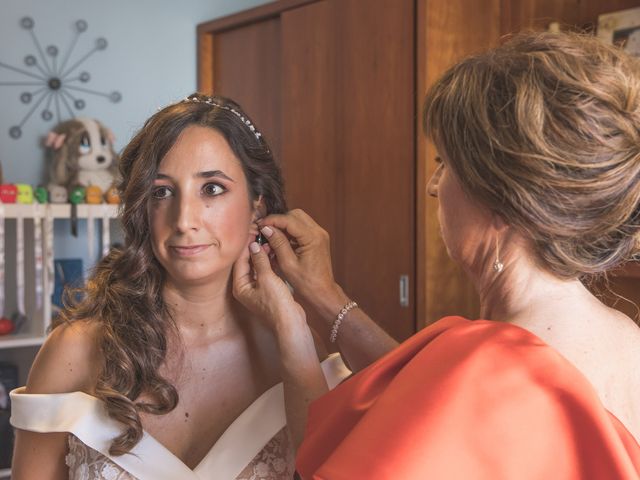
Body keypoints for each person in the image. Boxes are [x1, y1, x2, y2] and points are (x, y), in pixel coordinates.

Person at [250, 31, 640, 478]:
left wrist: (289, 328)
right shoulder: (625, 337)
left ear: (501, 198)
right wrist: (325, 296)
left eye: (444, 163)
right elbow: (427, 407)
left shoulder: (487, 362)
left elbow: (331, 459)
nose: (435, 187)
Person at [9, 93, 351, 480]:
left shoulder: (300, 351)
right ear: (143, 208)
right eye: (162, 192)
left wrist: (292, 326)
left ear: (257, 204)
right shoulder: (75, 349)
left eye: (212, 189)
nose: (184, 219)